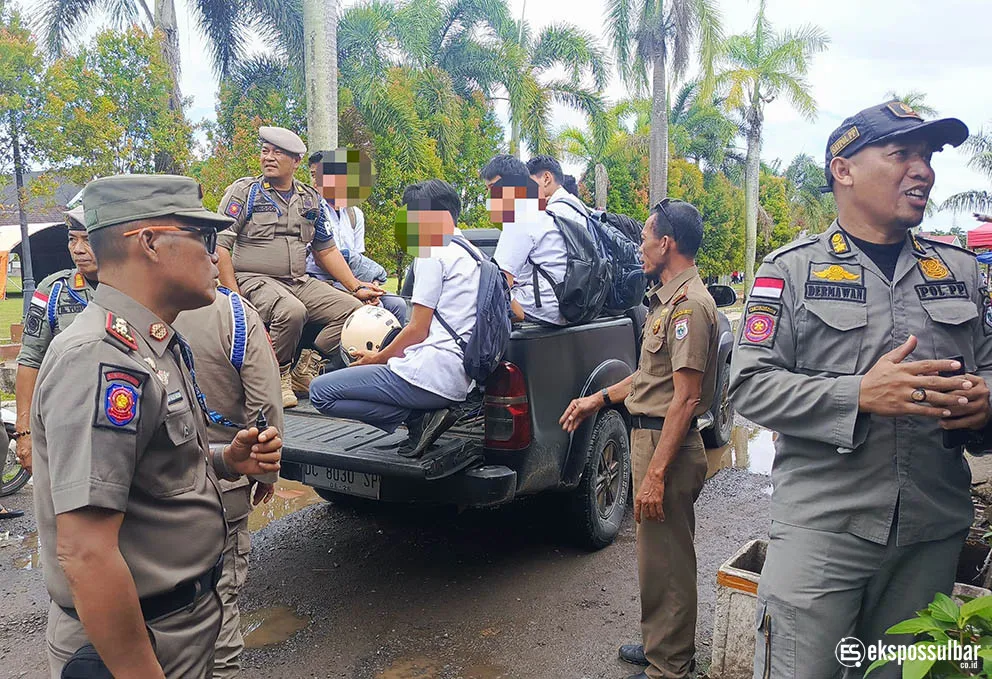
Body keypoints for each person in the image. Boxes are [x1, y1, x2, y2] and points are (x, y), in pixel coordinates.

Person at [728, 101, 982, 679]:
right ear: (843, 169)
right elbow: (748, 385)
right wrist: (859, 395)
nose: (923, 170)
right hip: (824, 532)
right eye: (902, 154)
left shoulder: (960, 272)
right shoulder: (788, 271)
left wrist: (982, 400)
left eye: (928, 156)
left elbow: (989, 369)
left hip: (930, 533)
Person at [33, 174, 282, 679]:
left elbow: (145, 468)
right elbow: (85, 553)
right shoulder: (102, 360)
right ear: (148, 241)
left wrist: (225, 460)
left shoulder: (153, 343)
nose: (215, 257)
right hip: (142, 641)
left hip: (179, 623)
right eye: (202, 238)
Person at [560, 199, 718, 679]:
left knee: (668, 561)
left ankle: (669, 666)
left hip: (667, 445)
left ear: (666, 243)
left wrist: (653, 474)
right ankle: (660, 646)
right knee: (655, 560)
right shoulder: (665, 300)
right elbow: (651, 379)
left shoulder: (688, 305)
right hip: (650, 437)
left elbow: (686, 399)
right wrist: (597, 400)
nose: (640, 246)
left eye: (645, 237)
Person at [310, 180, 480, 457]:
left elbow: (417, 330)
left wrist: (377, 359)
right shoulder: (472, 254)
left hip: (428, 375)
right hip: (459, 379)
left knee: (320, 392)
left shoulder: (433, 252)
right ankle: (420, 416)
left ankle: (416, 418)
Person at [216, 126, 383, 408]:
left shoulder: (309, 199)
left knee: (354, 311)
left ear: (295, 161)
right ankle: (276, 375)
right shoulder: (245, 192)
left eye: (277, 153)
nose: (268, 157)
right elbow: (220, 246)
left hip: (296, 280)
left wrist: (356, 287)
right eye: (265, 151)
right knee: (292, 311)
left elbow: (326, 249)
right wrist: (233, 297)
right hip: (253, 279)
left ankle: (302, 368)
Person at [173, 286, 283, 679]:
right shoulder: (235, 315)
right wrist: (265, 472)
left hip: (150, 495)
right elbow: (265, 403)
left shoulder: (121, 313)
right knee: (219, 602)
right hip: (222, 486)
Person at [14, 206, 98, 477]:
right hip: (68, 423)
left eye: (87, 240)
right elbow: (30, 359)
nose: (78, 249)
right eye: (73, 239)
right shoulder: (54, 291)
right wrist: (25, 431)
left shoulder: (136, 288)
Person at [482, 155, 567, 325]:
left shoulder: (520, 216)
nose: (489, 196)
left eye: (492, 188)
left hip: (545, 306)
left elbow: (499, 281)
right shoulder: (543, 213)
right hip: (564, 302)